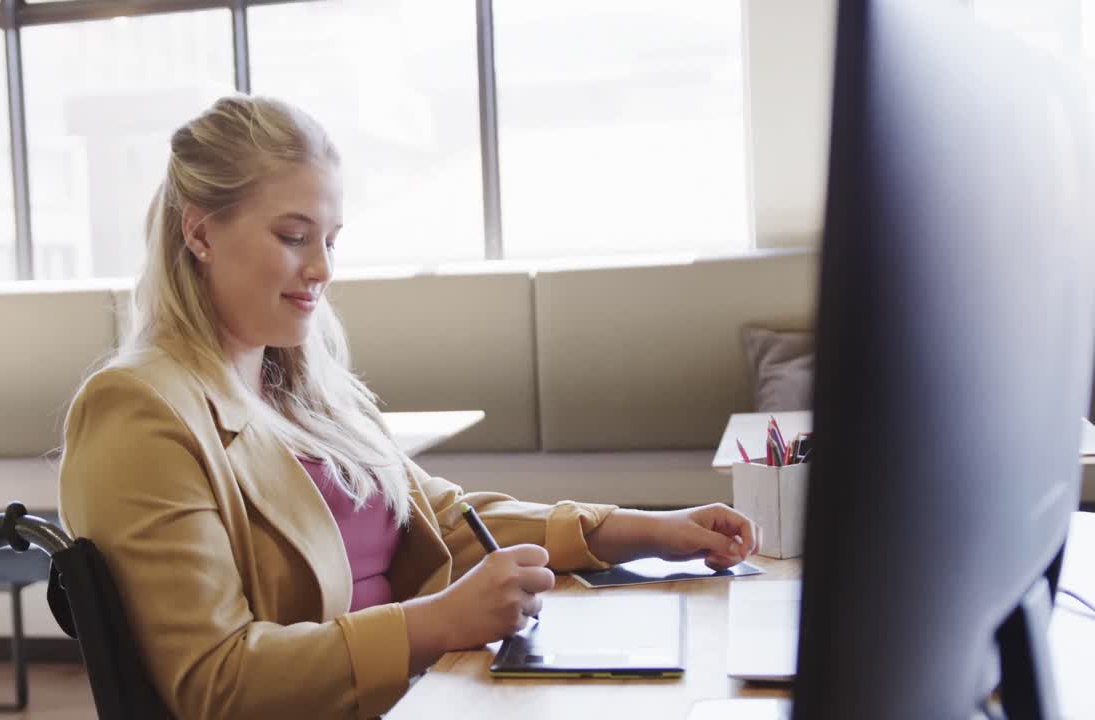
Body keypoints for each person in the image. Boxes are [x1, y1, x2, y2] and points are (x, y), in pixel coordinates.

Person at [57, 94, 760, 720]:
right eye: (293, 237)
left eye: (330, 242)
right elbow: (217, 684)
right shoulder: (138, 409)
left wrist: (638, 531)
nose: (323, 269)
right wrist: (435, 623)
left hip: (426, 691)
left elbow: (446, 521)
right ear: (201, 233)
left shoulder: (299, 380)